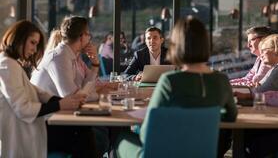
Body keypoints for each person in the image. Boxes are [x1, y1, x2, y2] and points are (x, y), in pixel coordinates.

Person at [115, 17, 238, 158]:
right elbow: (231, 117)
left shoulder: (169, 81)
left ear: (175, 46)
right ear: (206, 44)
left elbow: (146, 133)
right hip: (206, 150)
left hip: (165, 152)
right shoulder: (222, 80)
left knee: (121, 138)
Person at [0, 20, 85, 158]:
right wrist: (60, 104)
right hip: (20, 135)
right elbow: (22, 109)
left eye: (36, 44)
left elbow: (38, 92)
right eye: (32, 43)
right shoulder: (7, 65)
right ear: (19, 38)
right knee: (82, 135)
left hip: (26, 129)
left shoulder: (11, 63)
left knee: (82, 133)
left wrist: (66, 101)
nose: (34, 49)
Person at [30, 16, 108, 157]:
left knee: (99, 132)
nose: (89, 37)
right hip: (44, 125)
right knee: (90, 135)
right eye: (88, 34)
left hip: (59, 117)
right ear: (81, 36)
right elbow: (74, 97)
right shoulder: (59, 58)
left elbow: (84, 88)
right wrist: (94, 94)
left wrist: (95, 65)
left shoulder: (70, 56)